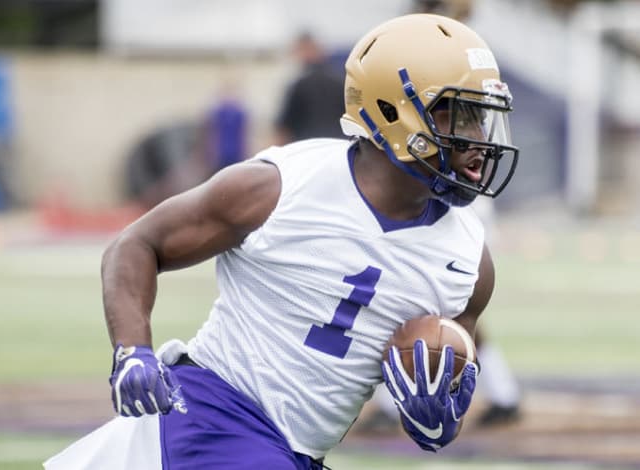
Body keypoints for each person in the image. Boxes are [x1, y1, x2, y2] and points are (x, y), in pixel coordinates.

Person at [44, 13, 519, 469]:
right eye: (458, 115)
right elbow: (136, 244)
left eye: (481, 117)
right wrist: (133, 351)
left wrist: (435, 418)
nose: (478, 140)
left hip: (294, 452)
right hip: (214, 414)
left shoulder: (470, 264)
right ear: (393, 111)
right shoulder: (280, 187)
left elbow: (446, 409)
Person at [273, 31, 345, 144]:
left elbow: (284, 128)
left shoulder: (299, 84)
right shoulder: (342, 80)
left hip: (306, 150)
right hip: (341, 150)